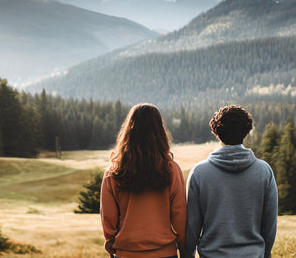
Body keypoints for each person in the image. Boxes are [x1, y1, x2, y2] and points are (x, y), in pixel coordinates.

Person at [183, 105, 278, 258]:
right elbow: (270, 225)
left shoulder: (199, 173)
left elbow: (191, 228)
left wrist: (187, 255)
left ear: (216, 132)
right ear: (246, 131)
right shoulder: (264, 171)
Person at [100, 103, 187, 258]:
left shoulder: (113, 172)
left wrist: (111, 243)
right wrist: (184, 247)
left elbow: (108, 219)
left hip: (127, 253)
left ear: (128, 132)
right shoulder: (171, 169)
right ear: (160, 131)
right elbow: (179, 215)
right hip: (165, 253)